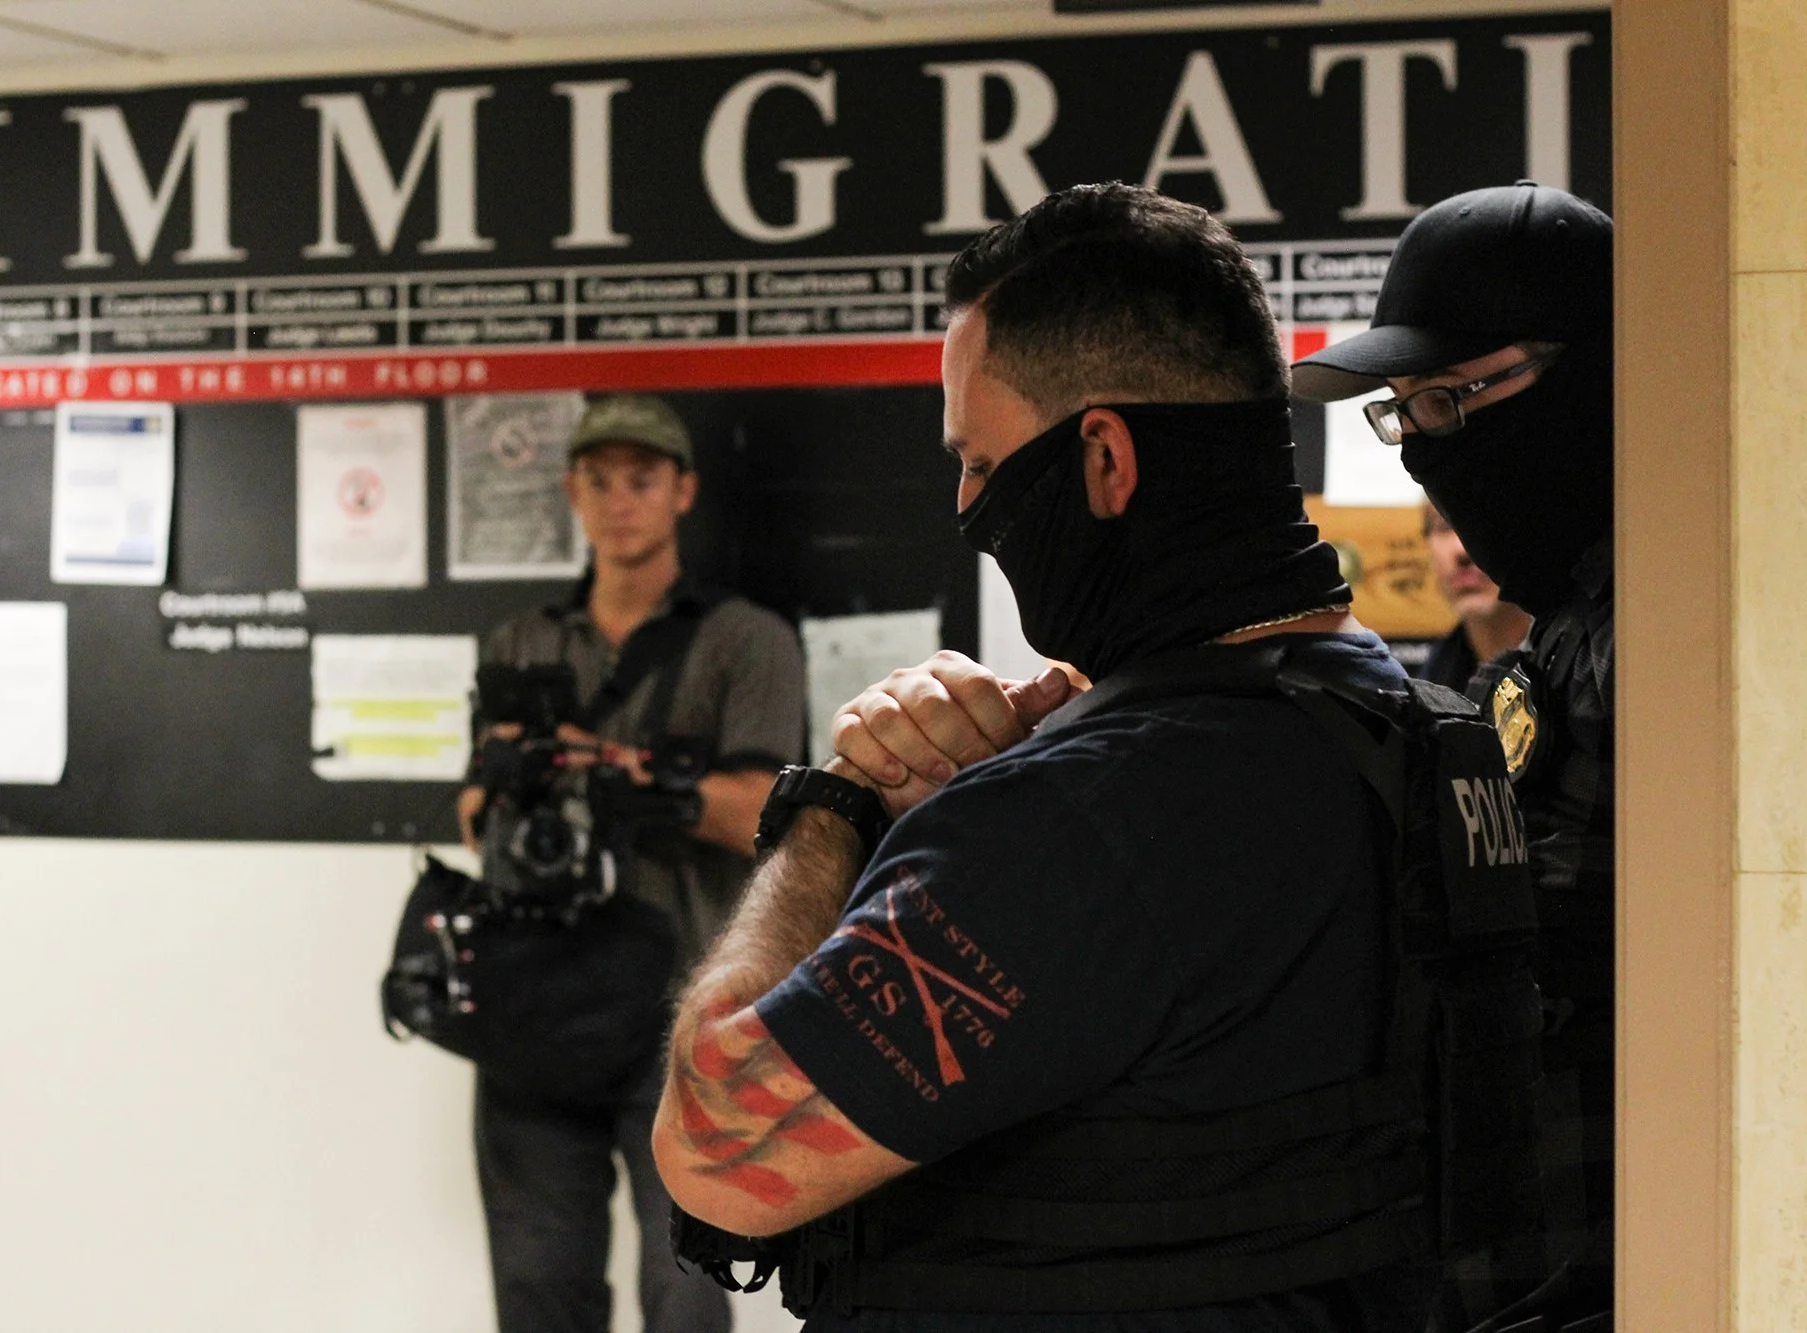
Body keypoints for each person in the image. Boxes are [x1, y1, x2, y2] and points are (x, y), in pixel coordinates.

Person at [650, 184, 1527, 1331]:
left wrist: (836, 805)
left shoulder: (1080, 815)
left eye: (977, 459)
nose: (966, 501)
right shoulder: (1421, 735)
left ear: (1103, 459)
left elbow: (719, 1143)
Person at [1291, 181, 1615, 1332]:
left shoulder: (1681, 640)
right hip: (1501, 1271)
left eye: (1450, 402)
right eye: (1405, 413)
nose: (1428, 452)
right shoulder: (1558, 639)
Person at [456, 393, 805, 1333]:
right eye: (599, 481)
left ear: (682, 491)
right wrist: (516, 785)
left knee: (687, 1302)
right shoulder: (521, 643)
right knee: (537, 1296)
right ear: (572, 491)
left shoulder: (747, 640)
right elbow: (473, 817)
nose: (619, 502)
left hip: (684, 1022)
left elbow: (769, 821)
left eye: (641, 480)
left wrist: (620, 771)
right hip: (533, 1012)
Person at [1417, 498, 1531, 699]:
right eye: (1443, 527)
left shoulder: (1579, 672)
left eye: (1482, 524)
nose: (1462, 550)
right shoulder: (1433, 682)